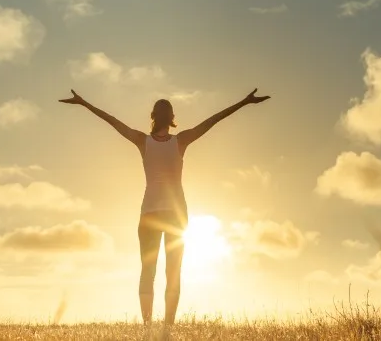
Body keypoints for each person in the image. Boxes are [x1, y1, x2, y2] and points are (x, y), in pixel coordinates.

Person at [59, 88, 271, 325]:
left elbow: (112, 121)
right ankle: (168, 327)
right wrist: (243, 102)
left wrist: (84, 102)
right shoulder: (181, 141)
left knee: (147, 271)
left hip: (149, 214)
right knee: (173, 272)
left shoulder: (143, 141)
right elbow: (213, 120)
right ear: (171, 118)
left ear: (153, 117)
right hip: (176, 216)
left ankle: (148, 326)